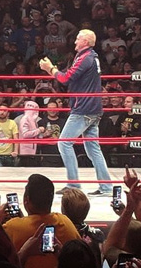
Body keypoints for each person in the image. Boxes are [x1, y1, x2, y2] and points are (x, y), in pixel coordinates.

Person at [40, 29, 113, 196]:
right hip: (92, 108)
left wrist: (50, 68)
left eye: (78, 39)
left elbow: (65, 79)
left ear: (85, 42)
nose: (75, 41)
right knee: (93, 148)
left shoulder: (86, 57)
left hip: (84, 109)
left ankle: (73, 184)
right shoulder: (89, 56)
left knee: (64, 143)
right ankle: (106, 187)